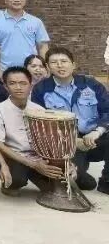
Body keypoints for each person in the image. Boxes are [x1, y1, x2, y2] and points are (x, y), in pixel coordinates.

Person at [31, 46, 109, 193]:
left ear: (73, 64)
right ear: (47, 67)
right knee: (81, 183)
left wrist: (97, 132)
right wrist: (71, 140)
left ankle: (107, 181)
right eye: (54, 62)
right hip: (65, 144)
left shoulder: (91, 84)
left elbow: (107, 110)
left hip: (93, 138)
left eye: (64, 61)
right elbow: (41, 123)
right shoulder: (41, 90)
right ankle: (81, 173)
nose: (60, 65)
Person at [0, 66, 59, 196]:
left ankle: (38, 176)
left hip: (38, 156)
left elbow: (49, 139)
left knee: (59, 186)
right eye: (12, 83)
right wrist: (33, 164)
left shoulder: (39, 110)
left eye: (23, 83)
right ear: (6, 86)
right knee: (17, 180)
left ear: (30, 85)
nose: (18, 87)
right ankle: (10, 183)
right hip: (15, 157)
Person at [0, 0, 50, 74]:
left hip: (32, 72)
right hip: (6, 71)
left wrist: (46, 69)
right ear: (5, 0)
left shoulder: (36, 21)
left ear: (24, 0)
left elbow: (42, 47)